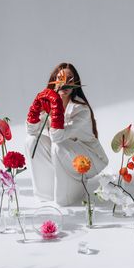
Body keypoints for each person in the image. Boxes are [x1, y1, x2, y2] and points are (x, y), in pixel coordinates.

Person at [25, 62, 109, 206]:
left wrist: (56, 106)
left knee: (58, 146)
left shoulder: (81, 109)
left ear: (75, 83)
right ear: (54, 81)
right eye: (60, 78)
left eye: (70, 79)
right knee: (31, 141)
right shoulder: (47, 104)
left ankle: (65, 197)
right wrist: (36, 107)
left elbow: (57, 137)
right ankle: (46, 193)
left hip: (90, 158)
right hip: (65, 154)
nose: (65, 83)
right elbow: (32, 131)